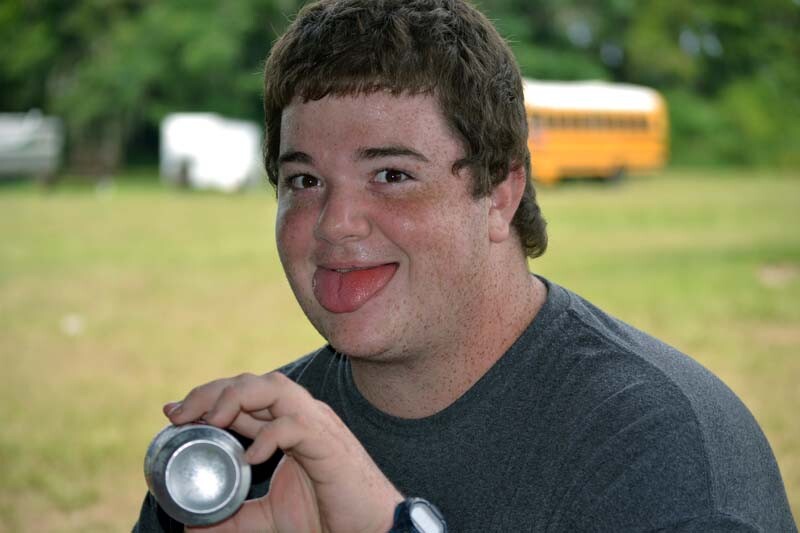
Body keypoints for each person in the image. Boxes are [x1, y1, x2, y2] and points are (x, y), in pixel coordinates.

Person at [134, 0, 797, 531]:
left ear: (500, 193)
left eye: (392, 174)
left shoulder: (657, 453)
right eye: (303, 181)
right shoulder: (237, 461)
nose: (336, 223)